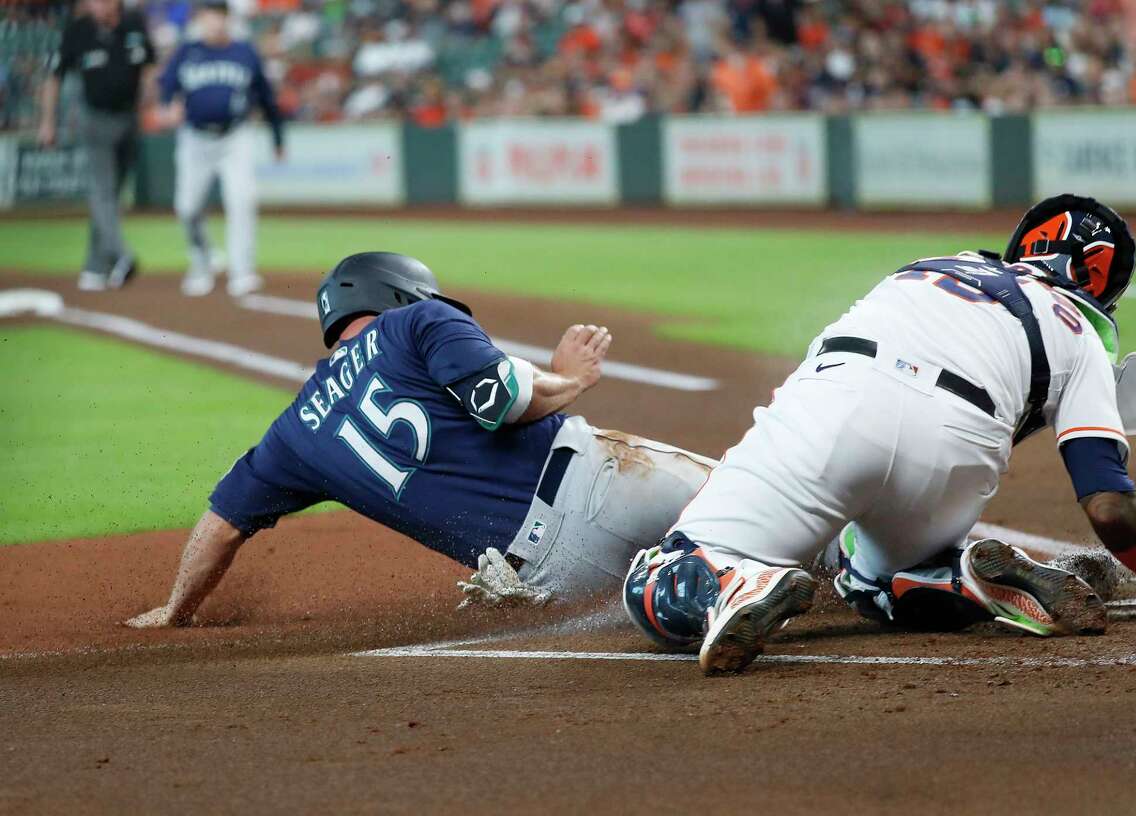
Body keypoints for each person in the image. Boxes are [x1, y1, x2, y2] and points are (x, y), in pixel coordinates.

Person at [624, 194, 1136, 675]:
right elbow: (1110, 508)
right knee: (872, 582)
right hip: (955, 454)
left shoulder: (931, 267)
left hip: (841, 399)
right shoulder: (1082, 336)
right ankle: (964, 577)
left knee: (661, 580)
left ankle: (734, 578)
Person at [125, 252, 713, 628]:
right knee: (759, 497)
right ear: (399, 295)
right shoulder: (415, 322)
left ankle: (674, 597)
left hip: (544, 578)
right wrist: (568, 379)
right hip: (596, 487)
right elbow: (501, 402)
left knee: (675, 608)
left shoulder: (293, 432)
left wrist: (176, 610)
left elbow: (220, 525)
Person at [158, 0, 284, 298]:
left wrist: (279, 138)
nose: (214, 22)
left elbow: (267, 98)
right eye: (208, 16)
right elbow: (166, 85)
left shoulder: (244, 52)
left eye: (218, 16)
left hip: (235, 137)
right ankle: (201, 263)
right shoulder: (187, 52)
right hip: (194, 138)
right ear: (200, 20)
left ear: (227, 19)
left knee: (242, 200)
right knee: (187, 207)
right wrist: (167, 105)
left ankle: (242, 272)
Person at [39, 0, 156, 291]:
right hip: (95, 121)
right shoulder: (78, 30)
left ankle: (94, 267)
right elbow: (54, 77)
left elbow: (150, 66)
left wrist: (150, 97)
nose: (98, 5)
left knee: (111, 197)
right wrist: (47, 122)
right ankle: (122, 255)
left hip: (129, 119)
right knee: (103, 193)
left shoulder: (133, 24)